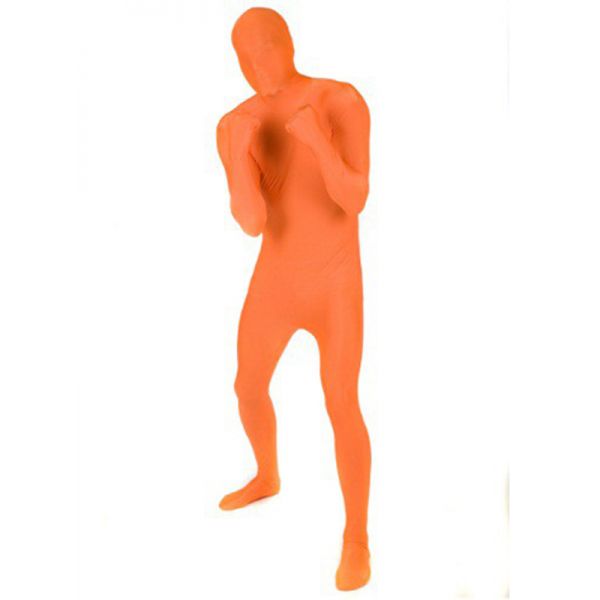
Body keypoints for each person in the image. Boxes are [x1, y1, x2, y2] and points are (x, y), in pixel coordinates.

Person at [216, 7, 372, 590]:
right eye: (244, 57)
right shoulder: (235, 123)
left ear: (289, 44)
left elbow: (354, 198)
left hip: (335, 282)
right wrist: (239, 156)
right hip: (277, 281)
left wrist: (318, 143)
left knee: (341, 400)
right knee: (247, 386)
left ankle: (356, 537)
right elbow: (252, 222)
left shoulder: (340, 100)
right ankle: (267, 475)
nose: (257, 66)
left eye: (266, 50)